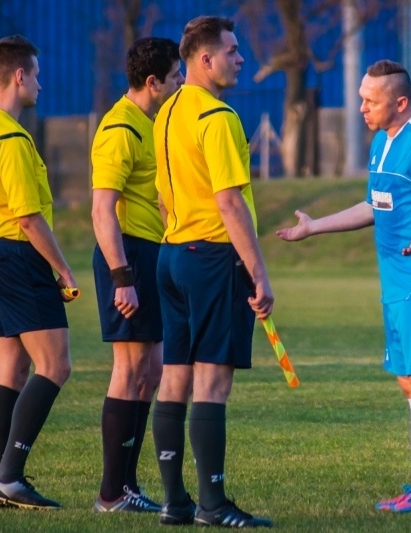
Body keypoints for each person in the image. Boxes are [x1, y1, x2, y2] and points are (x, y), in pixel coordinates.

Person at [276, 60, 411, 514]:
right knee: (409, 380)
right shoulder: (382, 141)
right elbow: (374, 205)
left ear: (400, 102)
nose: (361, 107)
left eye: (370, 100)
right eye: (362, 97)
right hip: (396, 283)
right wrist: (315, 227)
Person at [151, 15, 275, 528]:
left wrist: (179, 237)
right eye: (232, 50)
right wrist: (259, 272)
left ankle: (175, 502)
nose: (241, 58)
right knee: (213, 383)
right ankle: (212, 504)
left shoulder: (167, 111)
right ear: (205, 59)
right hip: (212, 258)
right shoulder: (217, 117)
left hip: (172, 255)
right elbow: (229, 202)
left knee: (174, 378)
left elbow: (163, 193)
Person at [0, 34, 78, 510]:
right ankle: (10, 476)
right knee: (55, 365)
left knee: (11, 368)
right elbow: (29, 218)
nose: (40, 83)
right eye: (36, 74)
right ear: (19, 76)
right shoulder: (12, 137)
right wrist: (64, 269)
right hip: (15, 254)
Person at [90, 37, 184, 513]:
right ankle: (111, 492)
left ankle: (127, 486)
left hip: (151, 254)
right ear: (153, 83)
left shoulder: (152, 124)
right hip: (127, 257)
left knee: (151, 371)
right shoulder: (119, 128)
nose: (181, 82)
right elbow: (102, 210)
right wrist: (121, 275)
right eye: (175, 77)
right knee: (129, 370)